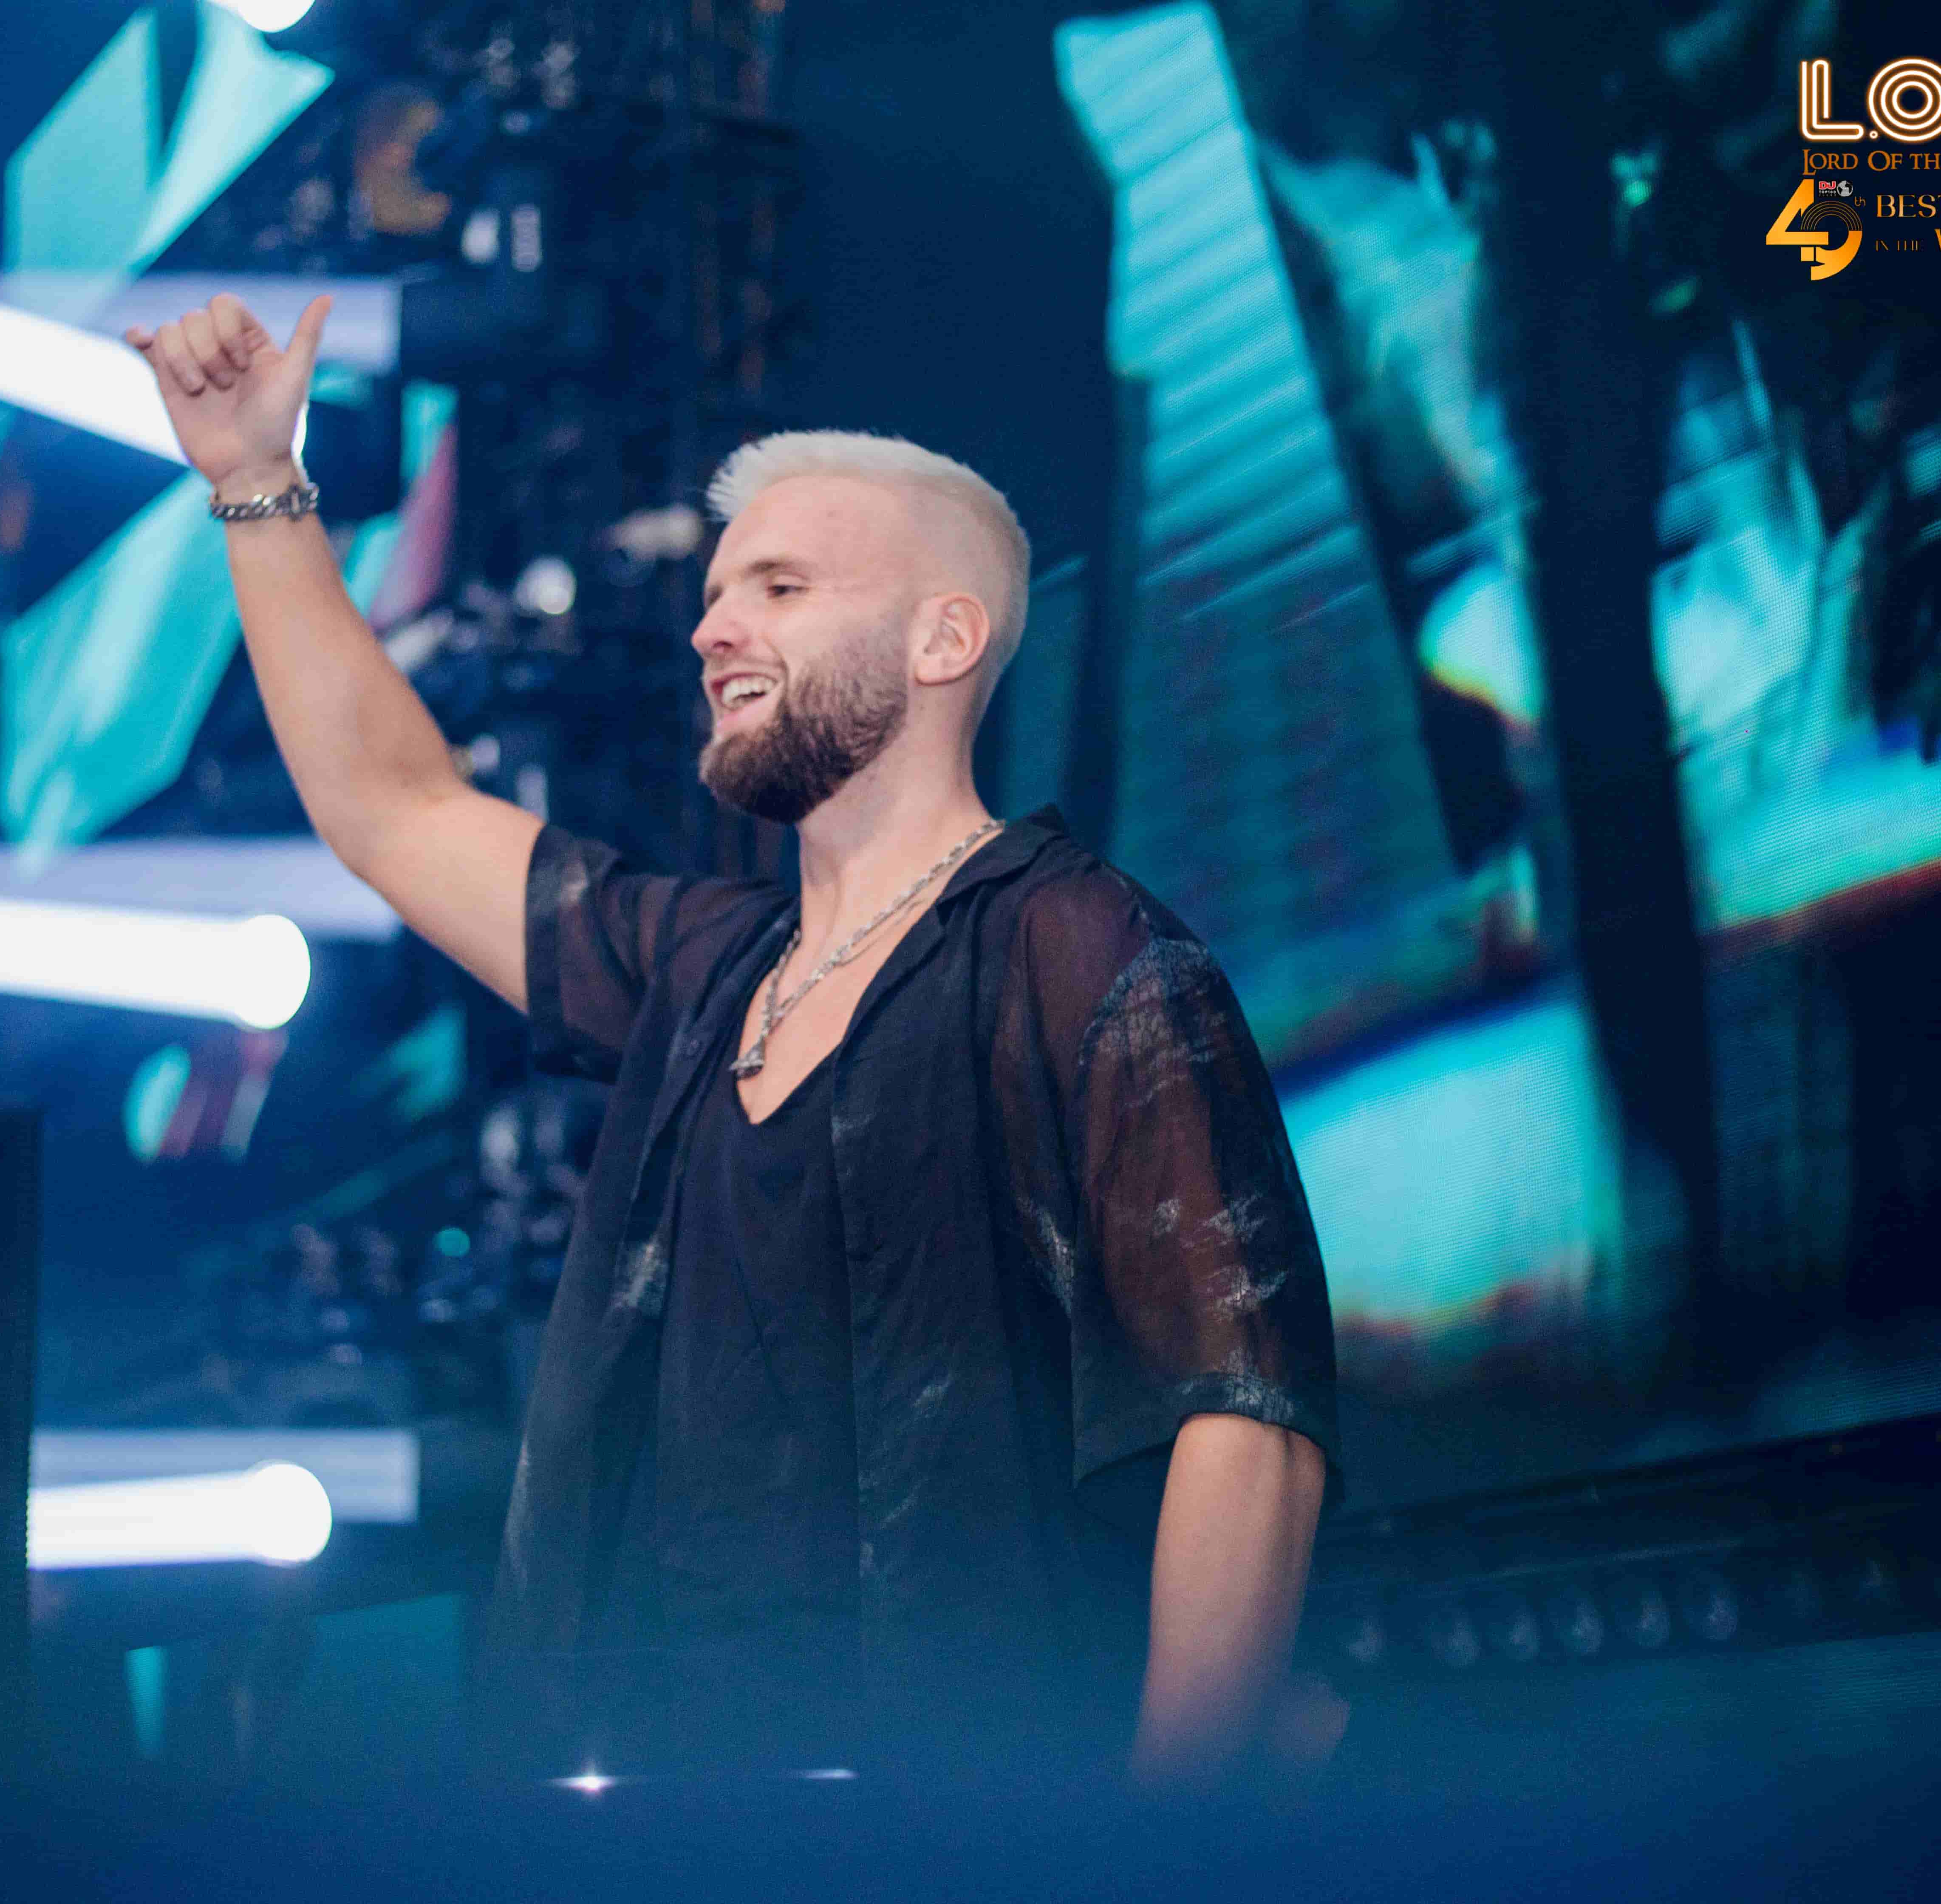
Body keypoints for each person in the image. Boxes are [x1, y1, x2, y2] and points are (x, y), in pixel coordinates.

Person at [128, 295, 1345, 1789]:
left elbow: (1245, 1422)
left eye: (780, 586)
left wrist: (1166, 1842)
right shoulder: (701, 972)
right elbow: (396, 810)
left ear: (944, 637)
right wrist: (259, 483)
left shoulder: (1073, 942)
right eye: (716, 595)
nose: (712, 629)